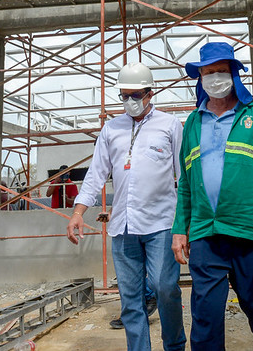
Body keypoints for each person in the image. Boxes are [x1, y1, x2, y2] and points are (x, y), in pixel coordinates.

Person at [171, 41, 253, 351]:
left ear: (235, 74)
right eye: (208, 73)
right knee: (206, 318)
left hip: (251, 232)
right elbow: (185, 183)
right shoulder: (193, 123)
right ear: (199, 78)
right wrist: (178, 230)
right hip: (205, 234)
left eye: (221, 71)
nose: (214, 78)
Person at [66, 62, 187, 350]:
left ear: (149, 93)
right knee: (131, 298)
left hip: (161, 224)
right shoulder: (111, 129)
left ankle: (174, 345)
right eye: (124, 95)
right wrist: (78, 212)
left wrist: (186, 223)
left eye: (136, 95)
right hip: (123, 226)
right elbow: (96, 174)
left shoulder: (169, 125)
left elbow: (183, 176)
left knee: (165, 288)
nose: (130, 101)